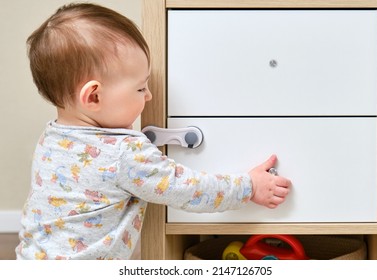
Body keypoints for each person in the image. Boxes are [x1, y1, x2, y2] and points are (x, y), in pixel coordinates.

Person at [16, 3, 291, 260]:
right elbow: (188, 190)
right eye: (140, 88)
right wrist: (249, 186)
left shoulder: (51, 137)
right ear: (94, 97)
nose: (148, 96)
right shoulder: (123, 153)